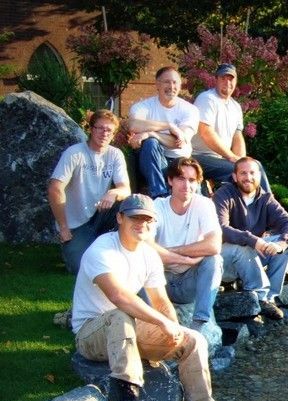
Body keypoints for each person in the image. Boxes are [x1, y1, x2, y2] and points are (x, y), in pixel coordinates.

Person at [71, 194, 237, 401]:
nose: (142, 224)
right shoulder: (101, 250)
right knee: (120, 314)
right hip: (91, 334)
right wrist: (161, 323)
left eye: (148, 220)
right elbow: (120, 297)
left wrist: (174, 329)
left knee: (194, 340)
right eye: (135, 218)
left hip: (127, 330)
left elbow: (161, 301)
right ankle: (128, 392)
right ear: (119, 218)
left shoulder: (148, 254)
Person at [214, 157, 288, 320]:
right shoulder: (223, 195)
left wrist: (282, 244)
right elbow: (221, 229)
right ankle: (259, 297)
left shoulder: (265, 199)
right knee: (244, 246)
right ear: (234, 176)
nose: (248, 177)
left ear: (259, 175)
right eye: (243, 173)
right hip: (225, 260)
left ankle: (269, 298)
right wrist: (253, 240)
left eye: (252, 173)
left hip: (252, 257)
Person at [48, 109, 131, 274]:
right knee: (79, 268)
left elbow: (125, 189)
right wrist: (64, 227)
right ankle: (81, 247)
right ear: (91, 129)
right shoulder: (74, 153)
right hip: (76, 224)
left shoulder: (115, 155)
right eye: (99, 128)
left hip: (101, 214)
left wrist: (112, 193)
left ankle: (124, 252)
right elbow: (54, 188)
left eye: (109, 130)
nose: (104, 133)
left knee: (129, 205)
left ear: (114, 134)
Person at [150, 157, 223, 329]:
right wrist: (185, 259)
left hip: (189, 281)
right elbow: (145, 247)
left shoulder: (204, 204)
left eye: (191, 180)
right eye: (181, 179)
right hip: (160, 281)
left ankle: (199, 324)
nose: (187, 185)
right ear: (170, 180)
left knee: (214, 260)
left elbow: (214, 245)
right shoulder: (157, 206)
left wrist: (170, 252)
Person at [191, 63, 270, 193]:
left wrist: (242, 161)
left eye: (231, 78)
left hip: (221, 159)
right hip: (199, 156)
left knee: (254, 167)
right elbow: (206, 132)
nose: (227, 82)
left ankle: (266, 206)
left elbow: (237, 136)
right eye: (223, 78)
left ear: (236, 81)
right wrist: (232, 157)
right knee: (238, 173)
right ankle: (266, 208)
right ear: (216, 80)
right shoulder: (207, 99)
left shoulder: (236, 107)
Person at [127, 66, 200, 198]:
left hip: (179, 161)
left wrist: (151, 133)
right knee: (151, 144)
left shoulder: (190, 110)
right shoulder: (143, 107)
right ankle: (160, 196)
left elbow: (178, 142)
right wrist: (169, 126)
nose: (171, 86)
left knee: (151, 139)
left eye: (175, 82)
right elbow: (133, 125)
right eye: (166, 82)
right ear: (157, 85)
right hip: (149, 159)